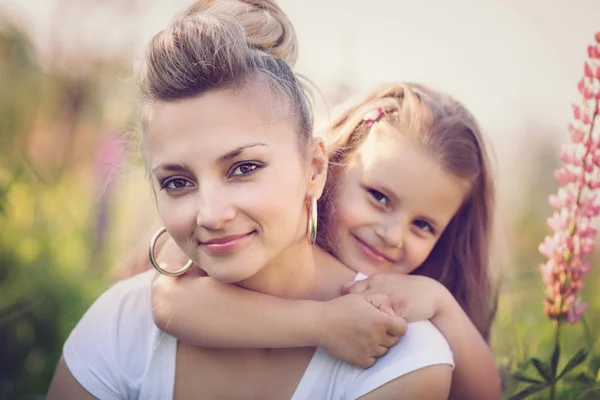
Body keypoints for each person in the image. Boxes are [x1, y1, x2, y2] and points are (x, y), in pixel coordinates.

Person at [46, 1, 456, 399]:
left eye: (244, 168)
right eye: (177, 182)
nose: (211, 215)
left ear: (314, 169)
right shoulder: (122, 321)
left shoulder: (398, 352)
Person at [147, 2, 501, 400]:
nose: (392, 234)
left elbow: (486, 393)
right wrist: (322, 323)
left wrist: (443, 305)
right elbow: (168, 301)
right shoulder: (254, 234)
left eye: (424, 225)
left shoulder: (411, 303)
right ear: (325, 167)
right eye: (379, 197)